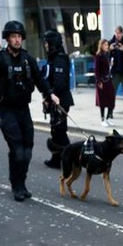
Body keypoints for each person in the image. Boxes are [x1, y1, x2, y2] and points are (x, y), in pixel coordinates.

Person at [0, 20, 60, 201]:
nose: (17, 40)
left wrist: (50, 94)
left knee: (28, 149)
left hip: (23, 109)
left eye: (19, 36)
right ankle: (16, 184)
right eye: (13, 37)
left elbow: (40, 80)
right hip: (7, 109)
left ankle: (22, 182)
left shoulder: (27, 59)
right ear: (7, 39)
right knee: (17, 149)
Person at [42, 29, 74, 169]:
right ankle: (56, 159)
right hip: (55, 101)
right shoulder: (54, 58)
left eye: (47, 43)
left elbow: (60, 83)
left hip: (60, 101)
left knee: (60, 132)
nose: (46, 46)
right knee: (55, 131)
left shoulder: (59, 59)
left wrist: (50, 96)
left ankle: (72, 160)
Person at [108, 25, 123, 121]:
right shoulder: (111, 43)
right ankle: (110, 112)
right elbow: (106, 56)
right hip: (115, 72)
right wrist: (110, 50)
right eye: (116, 33)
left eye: (119, 33)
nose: (118, 35)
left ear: (122, 34)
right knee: (112, 93)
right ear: (115, 33)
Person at [94, 38, 115, 126]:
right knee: (102, 101)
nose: (107, 46)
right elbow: (97, 70)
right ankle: (103, 119)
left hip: (108, 79)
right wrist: (99, 81)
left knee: (111, 99)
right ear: (101, 46)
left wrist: (110, 65)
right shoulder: (98, 56)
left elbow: (107, 68)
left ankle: (107, 118)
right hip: (102, 80)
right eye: (105, 45)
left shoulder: (107, 55)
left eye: (107, 45)